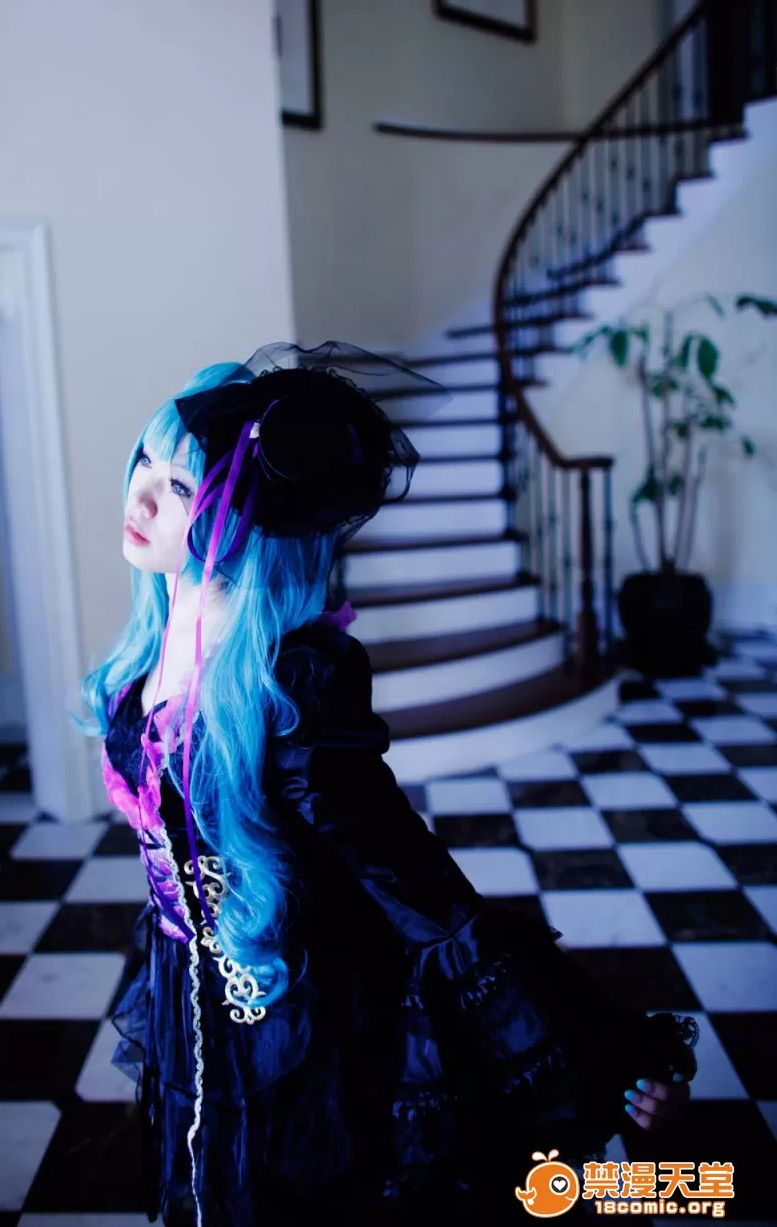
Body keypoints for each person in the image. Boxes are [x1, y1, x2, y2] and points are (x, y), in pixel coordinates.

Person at [76, 343, 698, 1227]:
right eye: (146, 462)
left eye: (179, 486)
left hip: (292, 1020)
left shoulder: (294, 692)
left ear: (249, 518)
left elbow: (418, 886)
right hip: (188, 992)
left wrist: (603, 1047)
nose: (139, 497)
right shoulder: (145, 659)